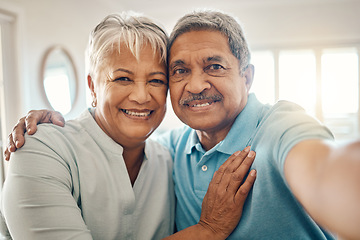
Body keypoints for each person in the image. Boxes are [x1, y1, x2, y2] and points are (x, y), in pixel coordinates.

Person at [5, 9, 360, 240]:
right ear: (93, 86)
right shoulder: (175, 149)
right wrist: (207, 230)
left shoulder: (279, 127)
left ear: (247, 78)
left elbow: (325, 168)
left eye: (215, 67)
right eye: (179, 72)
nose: (195, 85)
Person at [0, 12, 257, 240]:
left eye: (156, 80)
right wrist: (207, 231)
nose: (142, 96)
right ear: (92, 87)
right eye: (123, 78)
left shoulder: (169, 158)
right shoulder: (40, 149)